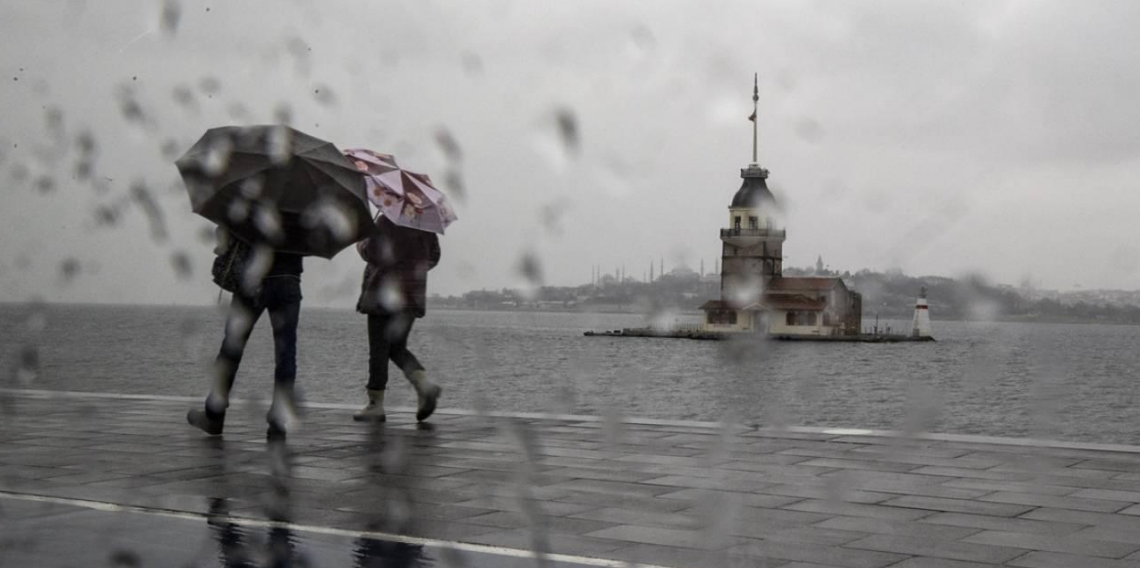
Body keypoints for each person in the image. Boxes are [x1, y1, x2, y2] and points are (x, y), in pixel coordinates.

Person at [187, 228, 304, 439]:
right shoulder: (305, 201)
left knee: (232, 348)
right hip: (289, 279)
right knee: (286, 352)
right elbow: (309, 243)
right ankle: (278, 422)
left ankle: (214, 414)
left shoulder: (255, 196)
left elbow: (228, 231)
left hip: (253, 278)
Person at [353, 214, 441, 423]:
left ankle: (375, 405)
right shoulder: (425, 224)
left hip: (383, 296)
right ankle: (424, 385)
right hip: (411, 297)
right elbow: (434, 257)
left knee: (379, 350)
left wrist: (361, 244)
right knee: (396, 347)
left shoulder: (386, 220)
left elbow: (374, 252)